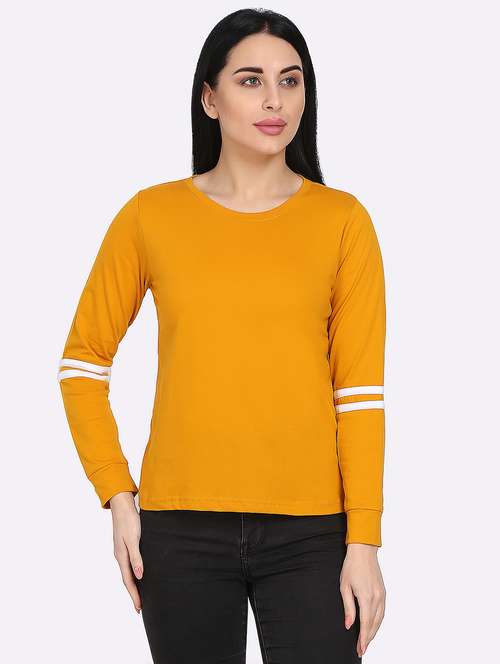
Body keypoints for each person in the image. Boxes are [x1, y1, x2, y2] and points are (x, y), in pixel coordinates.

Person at [57, 7, 387, 663]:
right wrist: (118, 495)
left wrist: (365, 541)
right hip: (178, 531)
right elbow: (82, 365)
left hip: (313, 533)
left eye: (290, 80)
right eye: (250, 80)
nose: (274, 100)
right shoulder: (150, 215)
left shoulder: (343, 222)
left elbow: (358, 395)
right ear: (210, 98)